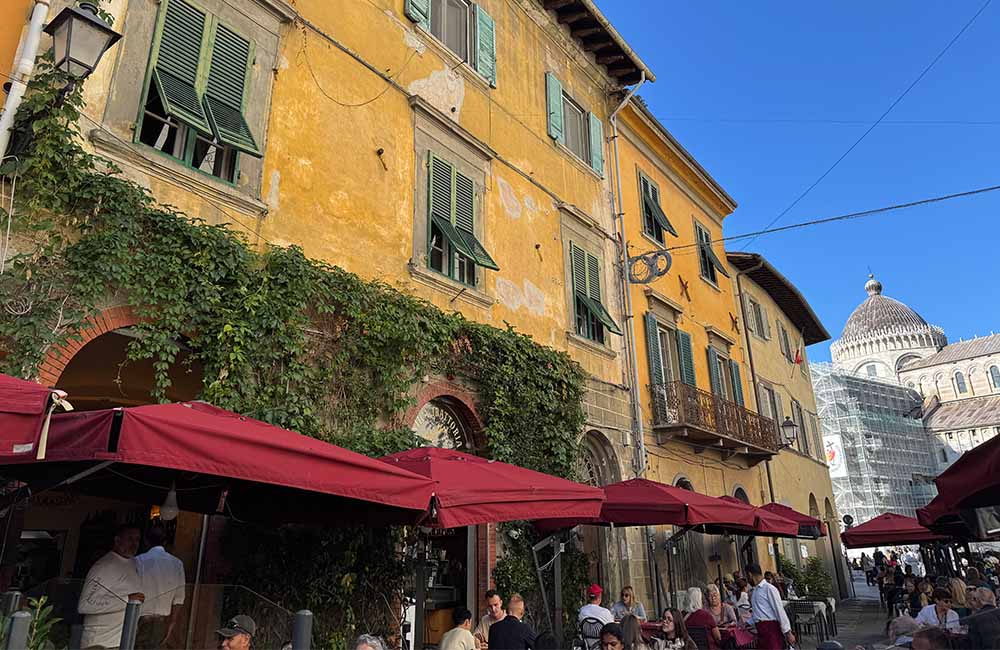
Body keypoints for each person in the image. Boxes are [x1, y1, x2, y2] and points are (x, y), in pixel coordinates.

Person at [78, 524, 145, 649]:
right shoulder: (104, 566)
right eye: (130, 539)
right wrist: (127, 600)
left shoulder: (133, 563)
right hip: (100, 644)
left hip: (122, 641)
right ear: (117, 540)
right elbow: (84, 605)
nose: (134, 544)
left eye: (137, 540)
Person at [135, 527, 186, 649]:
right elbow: (179, 598)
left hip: (139, 620)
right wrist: (171, 624)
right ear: (165, 542)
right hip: (162, 622)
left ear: (146, 541)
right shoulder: (177, 563)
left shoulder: (138, 561)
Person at [747, 563, 794, 650]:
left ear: (750, 574)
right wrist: (748, 623)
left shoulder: (769, 589)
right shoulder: (755, 591)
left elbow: (779, 610)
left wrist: (788, 632)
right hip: (761, 630)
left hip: (771, 629)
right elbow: (758, 612)